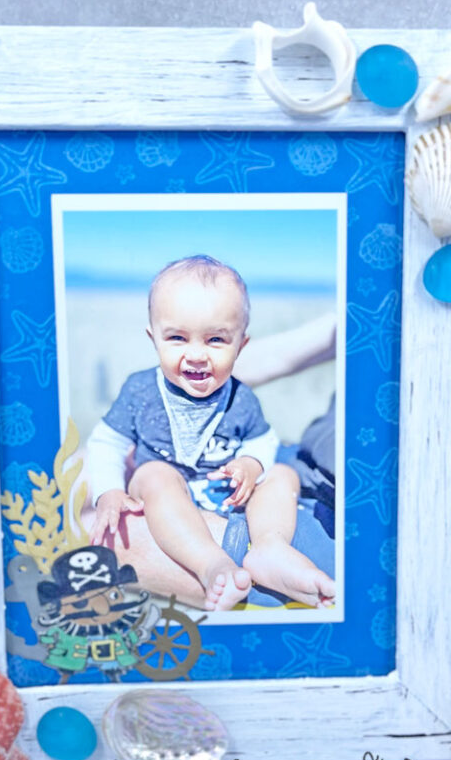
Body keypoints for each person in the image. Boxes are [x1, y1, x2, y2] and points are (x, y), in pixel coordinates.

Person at [87, 255, 335, 611]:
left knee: (282, 474)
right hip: (168, 499)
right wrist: (108, 491)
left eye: (216, 340)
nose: (196, 355)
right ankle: (211, 564)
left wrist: (251, 464)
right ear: (154, 339)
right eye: (177, 338)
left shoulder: (240, 397)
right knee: (153, 473)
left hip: (226, 494)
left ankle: (270, 546)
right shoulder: (140, 391)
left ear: (240, 346)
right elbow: (107, 442)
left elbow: (262, 440)